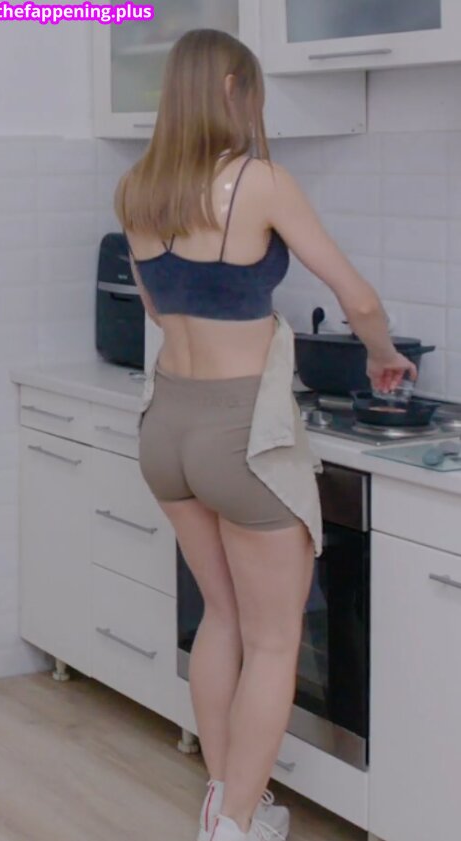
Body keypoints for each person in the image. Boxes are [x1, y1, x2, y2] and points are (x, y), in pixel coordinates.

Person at [115, 28, 416, 841]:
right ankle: (236, 827)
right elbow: (356, 299)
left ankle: (225, 803)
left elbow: (157, 309)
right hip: (240, 431)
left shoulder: (136, 189)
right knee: (277, 638)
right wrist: (382, 355)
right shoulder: (260, 181)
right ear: (229, 90)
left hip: (165, 426)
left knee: (220, 617)